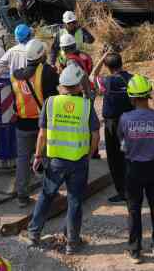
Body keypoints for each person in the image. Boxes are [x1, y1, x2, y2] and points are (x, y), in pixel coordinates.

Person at [26, 62, 100, 256]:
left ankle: (34, 234)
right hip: (78, 162)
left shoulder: (50, 103)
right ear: (77, 85)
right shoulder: (86, 106)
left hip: (55, 161)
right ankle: (72, 243)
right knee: (75, 200)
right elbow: (95, 136)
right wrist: (90, 153)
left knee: (46, 196)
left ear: (62, 84)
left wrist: (38, 156)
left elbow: (42, 134)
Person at [118, 74, 154, 265]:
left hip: (133, 169)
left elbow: (122, 141)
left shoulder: (124, 119)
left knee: (134, 209)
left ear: (131, 97)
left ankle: (135, 251)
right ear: (148, 95)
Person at [10, 39, 59, 208]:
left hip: (22, 125)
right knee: (47, 159)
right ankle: (50, 194)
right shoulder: (47, 72)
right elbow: (55, 95)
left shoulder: (15, 75)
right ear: (40, 55)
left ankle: (22, 196)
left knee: (23, 160)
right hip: (42, 125)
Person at [92, 50, 133, 202]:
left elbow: (92, 75)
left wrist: (102, 58)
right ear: (122, 63)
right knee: (129, 155)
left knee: (115, 159)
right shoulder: (133, 79)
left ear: (107, 67)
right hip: (130, 121)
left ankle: (123, 192)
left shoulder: (106, 82)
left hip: (113, 124)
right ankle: (134, 188)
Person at [58, 32, 94, 97]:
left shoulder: (71, 61)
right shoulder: (80, 54)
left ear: (64, 48)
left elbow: (74, 79)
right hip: (88, 86)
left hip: (81, 91)